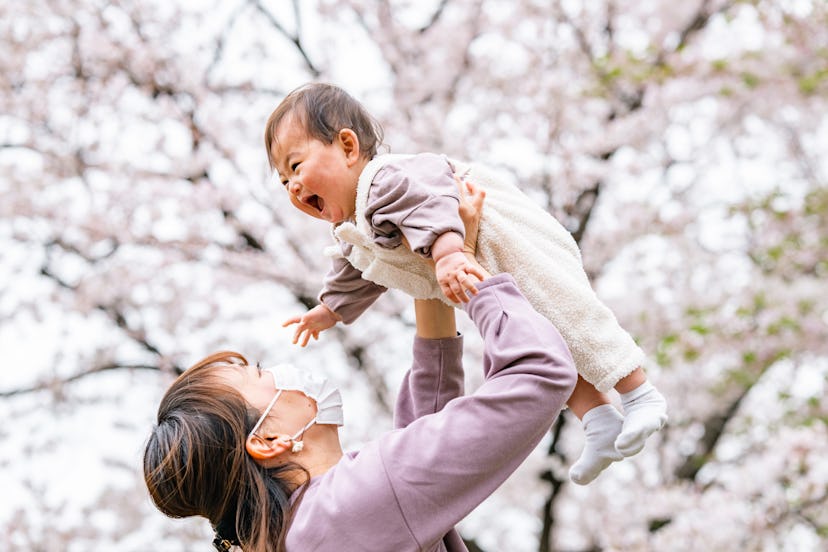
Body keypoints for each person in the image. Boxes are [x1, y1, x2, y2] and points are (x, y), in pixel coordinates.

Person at [264, 83, 668, 484]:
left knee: (565, 313)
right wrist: (330, 309)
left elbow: (433, 202)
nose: (293, 187)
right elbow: (361, 268)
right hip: (472, 258)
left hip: (507, 240)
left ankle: (639, 393)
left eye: (296, 166)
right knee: (546, 336)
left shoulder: (384, 179)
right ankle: (599, 419)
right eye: (283, 181)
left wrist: (450, 253)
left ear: (348, 147)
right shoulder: (355, 224)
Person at [143, 252, 578, 550]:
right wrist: (472, 275)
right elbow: (540, 373)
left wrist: (424, 271)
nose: (282, 370)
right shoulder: (347, 506)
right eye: (261, 374)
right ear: (268, 439)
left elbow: (421, 446)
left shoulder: (300, 532)